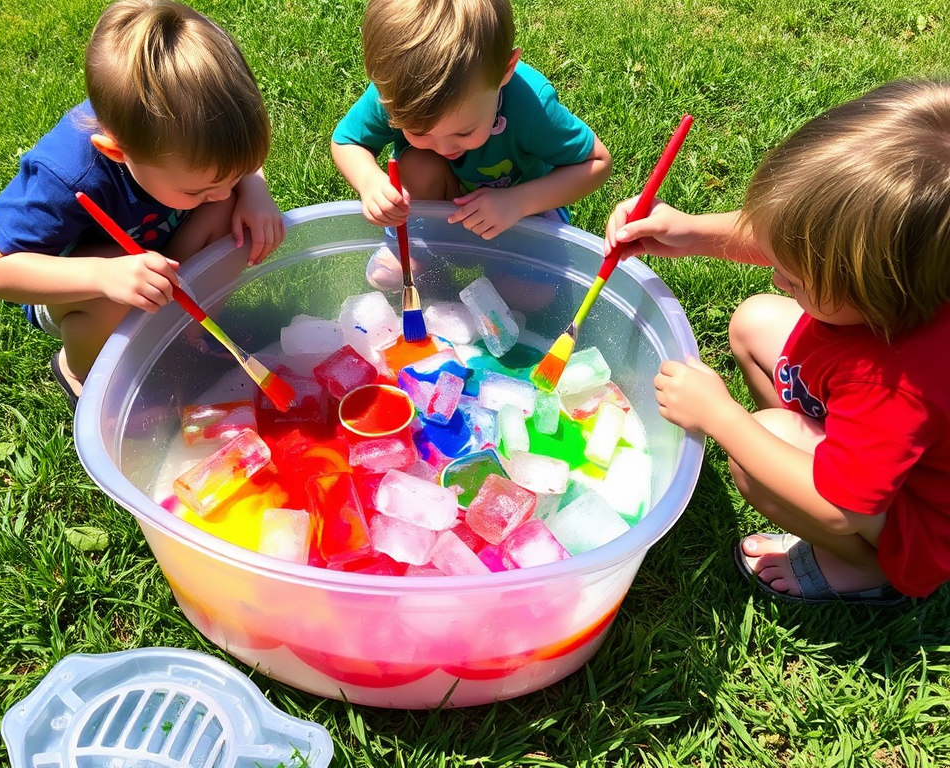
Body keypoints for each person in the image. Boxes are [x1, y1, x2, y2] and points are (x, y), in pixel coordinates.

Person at [605, 80, 950, 605]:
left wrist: (723, 418)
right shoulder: (903, 280)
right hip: (872, 436)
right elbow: (786, 242)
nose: (777, 275)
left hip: (916, 525)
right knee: (755, 319)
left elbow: (839, 505)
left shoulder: (897, 384)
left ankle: (867, 568)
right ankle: (817, 445)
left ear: (877, 286)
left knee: (755, 449)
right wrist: (690, 231)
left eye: (794, 276)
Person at [0, 0, 284, 408]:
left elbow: (231, 175)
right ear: (118, 153)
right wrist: (106, 276)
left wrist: (254, 190)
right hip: (81, 287)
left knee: (232, 217)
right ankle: (79, 368)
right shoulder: (66, 175)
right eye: (198, 190)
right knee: (116, 294)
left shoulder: (189, 149)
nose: (224, 190)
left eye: (235, 173)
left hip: (156, 255)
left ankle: (181, 335)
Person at [331, 0, 611, 290]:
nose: (443, 148)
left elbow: (597, 162)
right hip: (443, 201)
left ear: (506, 71)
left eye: (464, 132)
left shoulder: (532, 107)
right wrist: (369, 181)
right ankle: (420, 248)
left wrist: (519, 202)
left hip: (518, 214)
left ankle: (505, 266)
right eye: (418, 130)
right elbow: (346, 141)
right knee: (418, 165)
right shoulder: (396, 89)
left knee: (530, 297)